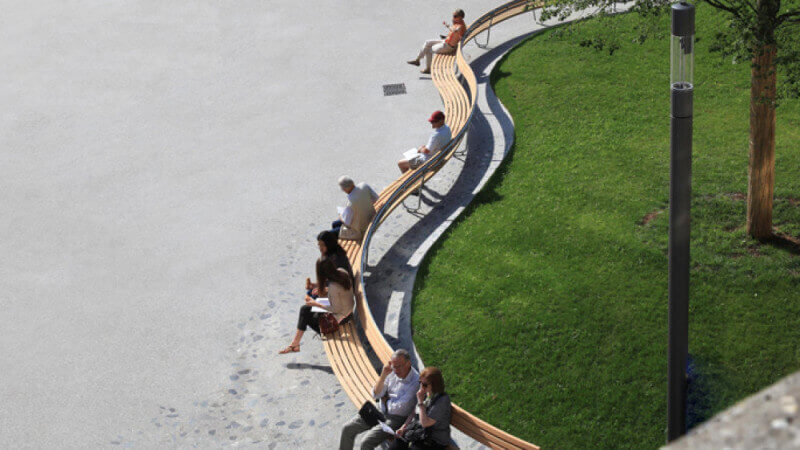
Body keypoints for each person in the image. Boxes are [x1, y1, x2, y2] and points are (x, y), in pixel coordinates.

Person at [339, 349, 420, 449]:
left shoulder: (415, 382)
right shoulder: (391, 371)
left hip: (395, 418)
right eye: (394, 366)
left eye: (399, 366)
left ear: (408, 363)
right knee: (347, 429)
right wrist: (383, 375)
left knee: (366, 443)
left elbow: (400, 408)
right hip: (379, 409)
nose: (396, 370)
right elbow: (376, 394)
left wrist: (385, 400)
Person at [278, 258, 354, 354]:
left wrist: (316, 303)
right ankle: (295, 344)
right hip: (346, 306)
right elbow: (341, 291)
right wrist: (324, 289)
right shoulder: (341, 271)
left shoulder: (333, 287)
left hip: (343, 315)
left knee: (307, 314)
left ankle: (320, 333)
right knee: (305, 309)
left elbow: (336, 309)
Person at [389, 367, 452, 450]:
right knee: (396, 444)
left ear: (435, 384)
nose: (421, 387)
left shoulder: (442, 401)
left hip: (433, 440)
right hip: (419, 433)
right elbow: (413, 413)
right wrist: (403, 428)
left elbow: (425, 423)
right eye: (420, 383)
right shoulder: (426, 393)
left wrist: (420, 402)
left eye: (425, 385)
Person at [407, 9, 467, 74]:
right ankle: (417, 60)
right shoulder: (458, 22)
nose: (453, 17)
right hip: (445, 41)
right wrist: (452, 23)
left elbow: (455, 31)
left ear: (460, 17)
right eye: (453, 15)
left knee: (428, 50)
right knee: (427, 42)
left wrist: (449, 26)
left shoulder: (460, 26)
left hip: (448, 47)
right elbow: (454, 33)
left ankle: (428, 69)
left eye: (455, 16)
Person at [331, 176, 379, 241]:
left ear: (346, 189)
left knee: (331, 233)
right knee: (335, 224)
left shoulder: (351, 202)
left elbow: (347, 223)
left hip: (361, 229)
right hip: (372, 216)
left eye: (343, 189)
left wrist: (340, 214)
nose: (343, 191)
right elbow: (376, 198)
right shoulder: (364, 185)